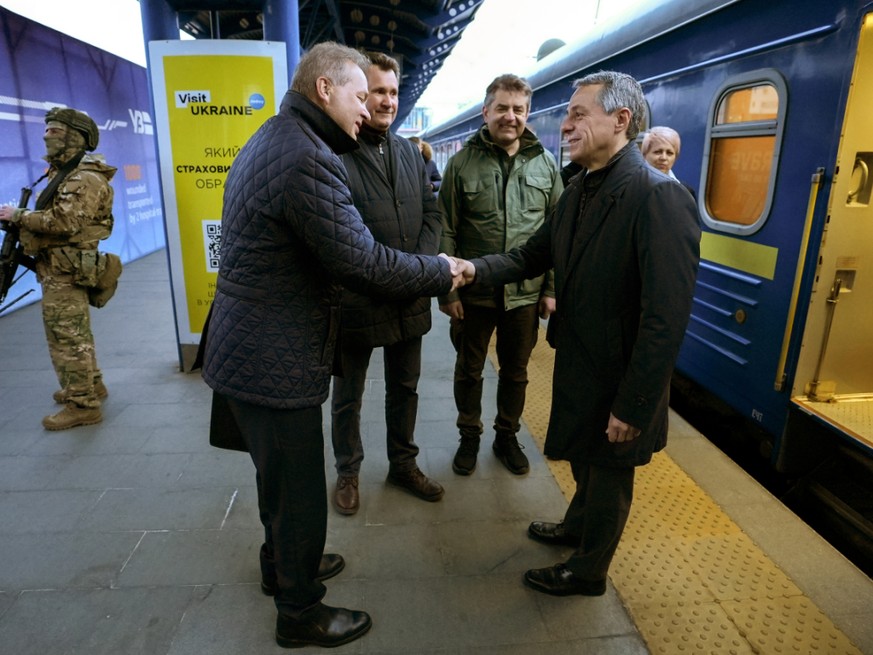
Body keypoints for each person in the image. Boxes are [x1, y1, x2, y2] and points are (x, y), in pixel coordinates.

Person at [200, 42, 463, 649]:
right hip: (273, 350)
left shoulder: (276, 135)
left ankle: (280, 566)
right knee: (297, 490)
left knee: (277, 479)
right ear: (325, 90)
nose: (367, 107)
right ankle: (299, 612)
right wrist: (442, 270)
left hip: (250, 341)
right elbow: (362, 261)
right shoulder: (306, 156)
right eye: (357, 95)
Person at [453, 71, 700, 597]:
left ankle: (588, 571)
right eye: (567, 114)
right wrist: (472, 271)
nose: (564, 125)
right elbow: (529, 255)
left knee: (610, 475)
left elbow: (666, 317)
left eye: (577, 114)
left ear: (622, 120)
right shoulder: (581, 187)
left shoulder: (657, 197)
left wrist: (634, 404)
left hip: (620, 375)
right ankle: (575, 525)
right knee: (589, 460)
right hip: (585, 361)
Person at [330, 52, 444, 515]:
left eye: (393, 92)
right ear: (360, 94)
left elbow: (433, 213)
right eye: (377, 91)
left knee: (406, 388)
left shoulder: (410, 152)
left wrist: (416, 266)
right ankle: (348, 472)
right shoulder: (337, 152)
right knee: (348, 396)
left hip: (408, 297)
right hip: (357, 298)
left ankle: (403, 464)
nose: (387, 101)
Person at [438, 73, 562, 477]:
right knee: (469, 368)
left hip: (525, 294)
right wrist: (448, 292)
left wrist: (550, 288)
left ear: (528, 113)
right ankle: (469, 436)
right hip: (473, 292)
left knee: (517, 371)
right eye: (503, 108)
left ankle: (506, 435)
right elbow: (447, 230)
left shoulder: (546, 165)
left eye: (519, 109)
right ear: (486, 111)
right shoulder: (460, 164)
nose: (511, 116)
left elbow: (556, 233)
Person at [0, 107, 117, 431]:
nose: (45, 135)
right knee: (74, 333)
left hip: (66, 269)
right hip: (59, 266)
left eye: (54, 130)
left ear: (74, 137)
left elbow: (65, 222)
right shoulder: (65, 172)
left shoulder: (83, 177)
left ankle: (82, 405)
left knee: (65, 336)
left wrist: (18, 216)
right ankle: (91, 384)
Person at [641, 125, 696, 198]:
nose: (664, 158)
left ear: (676, 157)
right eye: (658, 152)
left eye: (669, 153)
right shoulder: (631, 188)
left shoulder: (686, 191)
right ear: (644, 155)